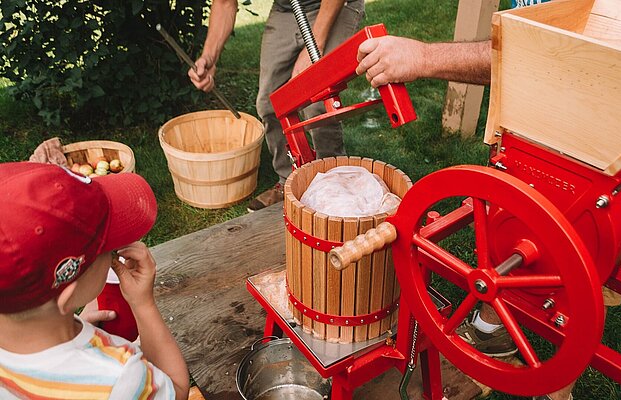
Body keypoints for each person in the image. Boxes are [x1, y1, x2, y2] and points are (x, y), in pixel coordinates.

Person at [355, 1, 621, 400]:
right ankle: (494, 331)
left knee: (580, 273)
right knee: (536, 244)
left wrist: (423, 56)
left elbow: (566, 57)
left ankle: (554, 378)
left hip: (608, 132)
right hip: (548, 131)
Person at [0, 162, 189, 400]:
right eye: (104, 248)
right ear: (68, 296)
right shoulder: (118, 377)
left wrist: (73, 322)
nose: (111, 252)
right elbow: (176, 390)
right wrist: (143, 304)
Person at [189, 0, 365, 212]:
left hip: (333, 5)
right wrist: (209, 56)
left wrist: (314, 45)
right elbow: (225, 3)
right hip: (287, 8)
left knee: (316, 100)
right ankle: (288, 181)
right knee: (270, 103)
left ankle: (334, 186)